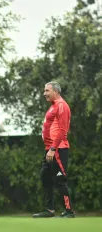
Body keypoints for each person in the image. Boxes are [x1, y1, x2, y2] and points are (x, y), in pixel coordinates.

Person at [33, 82, 75, 218]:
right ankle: (49, 210)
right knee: (45, 178)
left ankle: (69, 211)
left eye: (47, 90)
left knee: (60, 180)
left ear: (56, 91)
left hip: (57, 149)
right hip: (49, 149)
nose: (44, 93)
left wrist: (52, 149)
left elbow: (63, 130)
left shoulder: (62, 105)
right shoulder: (53, 106)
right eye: (44, 90)